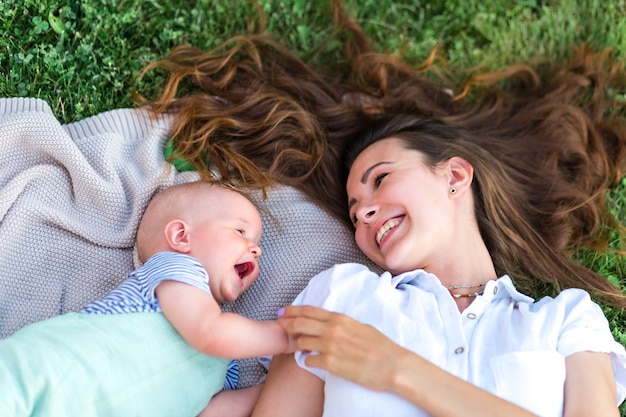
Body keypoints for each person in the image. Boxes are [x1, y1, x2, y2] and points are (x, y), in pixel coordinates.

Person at [137, 1, 626, 415]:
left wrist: (399, 369)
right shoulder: (342, 298)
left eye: (381, 180)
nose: (364, 214)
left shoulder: (567, 320)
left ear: (454, 176)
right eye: (353, 211)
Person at [0, 180, 293, 417]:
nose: (256, 250)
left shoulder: (226, 362)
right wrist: (288, 337)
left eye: (256, 243)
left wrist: (278, 385)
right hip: (46, 375)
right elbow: (208, 331)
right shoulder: (175, 269)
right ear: (181, 237)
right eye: (240, 232)